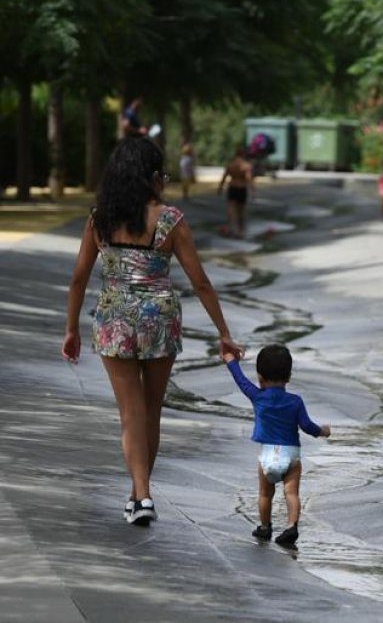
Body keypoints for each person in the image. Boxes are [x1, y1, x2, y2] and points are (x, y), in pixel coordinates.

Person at [62, 136, 242, 525]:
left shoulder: (100, 218)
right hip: (159, 318)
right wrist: (223, 332)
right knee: (151, 412)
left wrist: (71, 329)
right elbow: (202, 283)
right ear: (151, 177)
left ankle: (140, 495)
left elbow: (78, 280)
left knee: (131, 414)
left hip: (113, 319)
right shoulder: (170, 220)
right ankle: (139, 495)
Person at [222, 344, 330, 546]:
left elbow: (241, 380)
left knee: (265, 493)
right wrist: (322, 431)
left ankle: (264, 527)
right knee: (291, 493)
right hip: (291, 455)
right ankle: (291, 526)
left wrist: (230, 359)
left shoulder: (257, 396)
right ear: (289, 377)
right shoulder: (295, 401)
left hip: (267, 456)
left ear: (260, 377)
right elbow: (306, 426)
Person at [218, 146, 254, 238]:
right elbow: (248, 179)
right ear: (243, 154)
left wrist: (220, 187)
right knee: (241, 210)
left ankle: (231, 228)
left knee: (231, 209)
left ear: (236, 154)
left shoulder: (231, 165)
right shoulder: (246, 166)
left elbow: (224, 177)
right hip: (242, 188)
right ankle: (240, 230)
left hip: (232, 187)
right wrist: (253, 191)